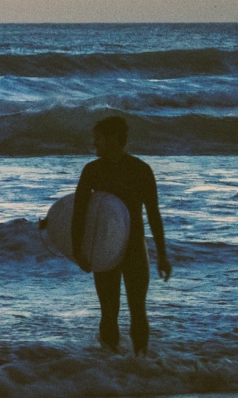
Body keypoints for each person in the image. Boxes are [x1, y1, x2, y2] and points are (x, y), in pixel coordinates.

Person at [72, 116, 171, 355]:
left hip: (135, 250)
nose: (94, 144)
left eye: (99, 139)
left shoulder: (140, 170)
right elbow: (78, 213)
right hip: (105, 250)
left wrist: (163, 255)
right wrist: (78, 252)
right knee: (109, 310)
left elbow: (154, 215)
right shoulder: (92, 171)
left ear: (113, 139)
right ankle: (113, 367)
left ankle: (140, 365)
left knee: (138, 309)